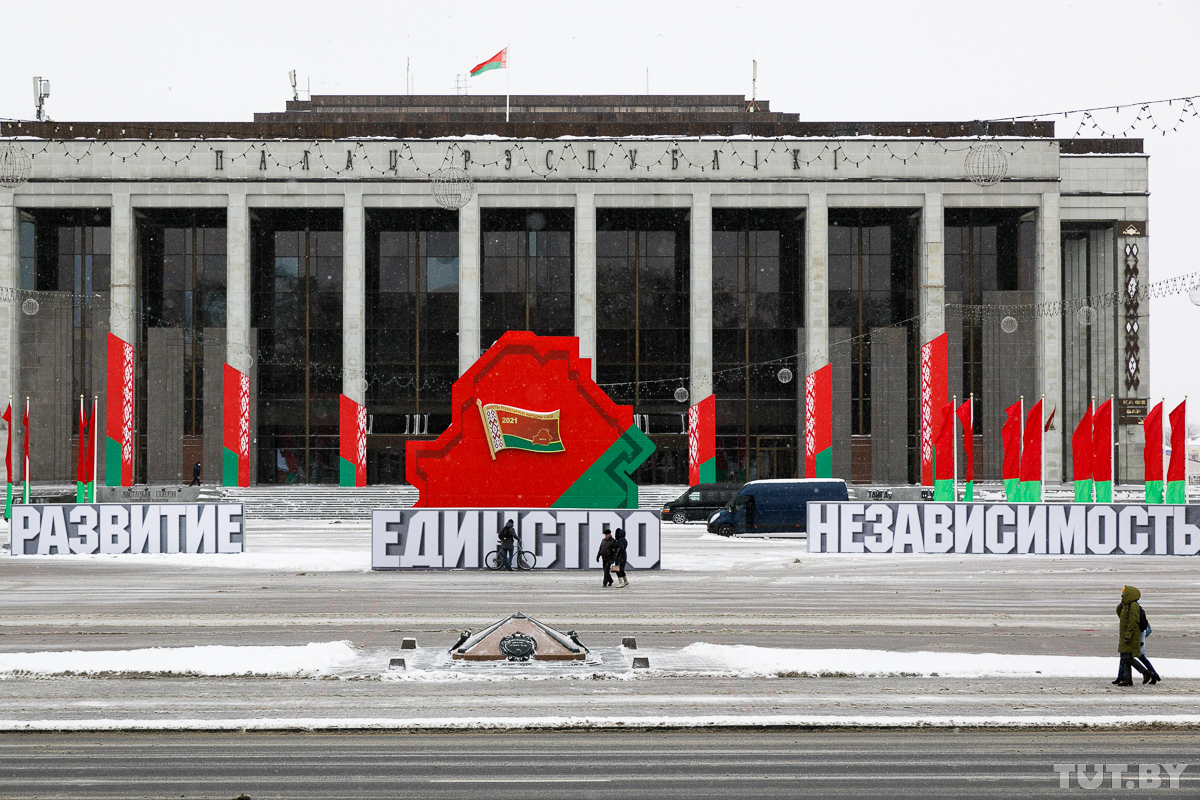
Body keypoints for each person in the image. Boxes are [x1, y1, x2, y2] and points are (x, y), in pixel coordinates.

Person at [1113, 585, 1148, 686]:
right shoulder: (1126, 606)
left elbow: (1133, 621)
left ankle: (1146, 672)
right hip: (1125, 633)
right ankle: (1128, 679)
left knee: (1127, 657)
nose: (1122, 595)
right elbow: (1120, 615)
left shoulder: (1133, 605)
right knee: (1125, 656)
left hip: (1132, 634)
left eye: (1124, 593)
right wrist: (1121, 605)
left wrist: (1128, 634)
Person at [1137, 602, 1162, 685]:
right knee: (1140, 657)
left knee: (1137, 657)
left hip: (1139, 638)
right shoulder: (1141, 611)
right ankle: (1154, 675)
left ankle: (1153, 674)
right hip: (1141, 637)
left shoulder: (1137, 611)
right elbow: (1148, 627)